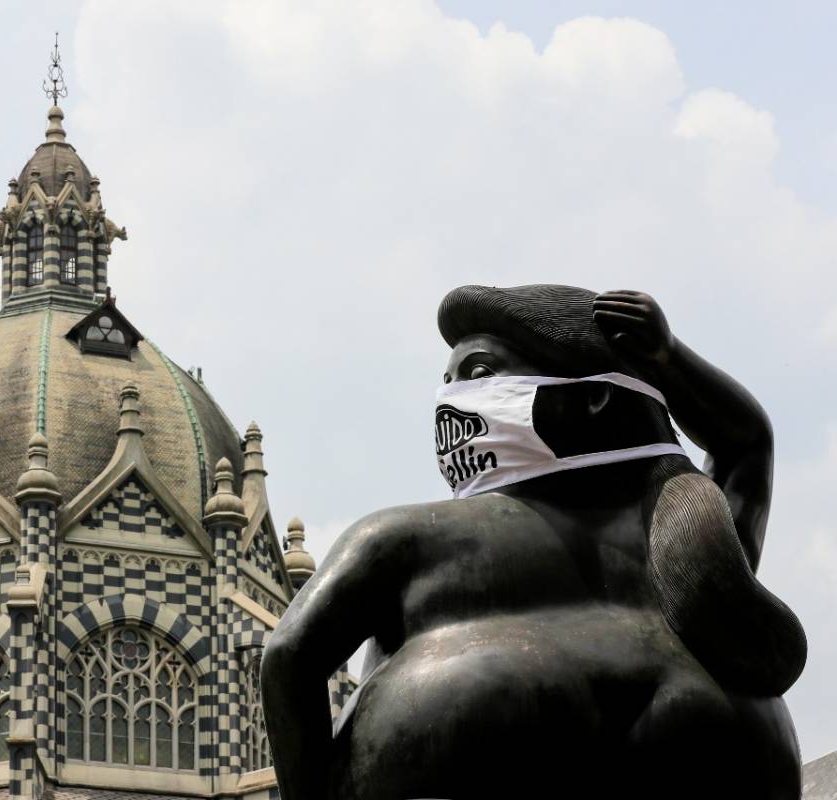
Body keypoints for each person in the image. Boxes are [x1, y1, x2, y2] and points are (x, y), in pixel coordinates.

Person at [261, 285, 805, 800]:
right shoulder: (694, 551)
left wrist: (664, 357)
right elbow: (746, 444)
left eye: (478, 373)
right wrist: (669, 360)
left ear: (594, 397)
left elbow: (289, 657)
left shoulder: (690, 544)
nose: (452, 399)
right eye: (448, 382)